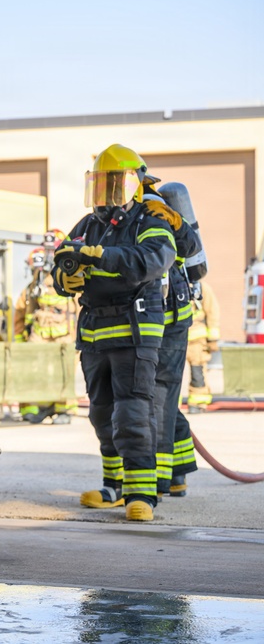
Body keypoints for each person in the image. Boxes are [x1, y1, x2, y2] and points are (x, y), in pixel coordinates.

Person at [54, 144, 176, 522]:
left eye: (114, 184)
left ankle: (141, 494)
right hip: (94, 333)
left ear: (134, 184)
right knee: (102, 413)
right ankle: (114, 485)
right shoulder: (89, 224)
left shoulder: (150, 220)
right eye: (101, 184)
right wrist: (63, 278)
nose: (107, 194)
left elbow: (151, 261)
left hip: (134, 332)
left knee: (133, 413)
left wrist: (101, 257)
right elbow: (62, 260)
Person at [139, 179, 202, 499]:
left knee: (160, 396)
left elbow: (188, 248)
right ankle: (178, 473)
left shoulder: (154, 208)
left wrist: (174, 222)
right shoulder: (123, 209)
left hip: (169, 320)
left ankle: (160, 480)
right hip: (154, 318)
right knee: (158, 399)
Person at [12, 230, 78, 424]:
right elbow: (31, 302)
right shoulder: (39, 273)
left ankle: (63, 409)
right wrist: (27, 329)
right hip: (40, 331)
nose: (49, 254)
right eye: (47, 249)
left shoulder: (72, 270)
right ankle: (40, 407)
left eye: (53, 250)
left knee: (63, 371)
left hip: (64, 332)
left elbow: (80, 305)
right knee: (35, 369)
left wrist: (80, 334)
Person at [186, 281, 220, 414]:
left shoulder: (202, 288)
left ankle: (197, 402)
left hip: (197, 340)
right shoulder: (171, 284)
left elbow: (212, 313)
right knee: (170, 374)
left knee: (197, 372)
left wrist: (212, 339)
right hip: (177, 338)